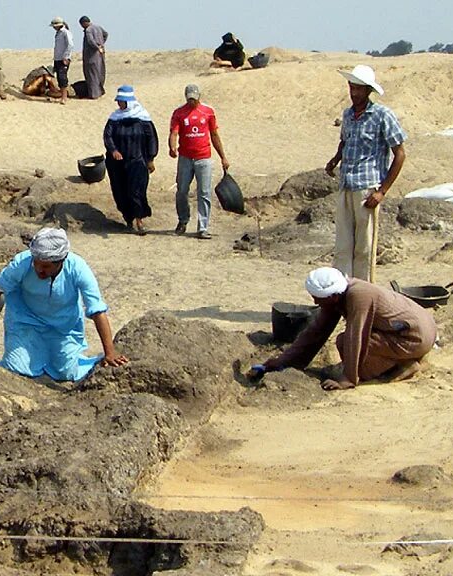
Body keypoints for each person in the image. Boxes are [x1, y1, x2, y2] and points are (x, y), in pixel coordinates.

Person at [0, 228, 129, 382]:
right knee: (17, 368)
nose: (39, 269)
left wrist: (109, 352)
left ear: (61, 261)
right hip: (25, 322)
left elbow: (97, 310)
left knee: (66, 373)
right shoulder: (21, 264)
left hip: (63, 327)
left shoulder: (78, 268)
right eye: (36, 263)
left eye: (45, 266)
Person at [259, 267, 436, 391]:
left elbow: (356, 336)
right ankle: (399, 359)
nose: (315, 303)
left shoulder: (358, 296)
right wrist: (284, 361)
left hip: (414, 337)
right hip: (409, 331)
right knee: (348, 345)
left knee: (345, 343)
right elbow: (316, 332)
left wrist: (349, 378)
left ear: (333, 296)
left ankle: (404, 365)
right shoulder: (339, 296)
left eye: (318, 298)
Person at [326, 65, 406, 281]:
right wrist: (335, 159)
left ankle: (363, 295)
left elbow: (399, 154)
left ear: (368, 91)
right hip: (346, 184)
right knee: (343, 245)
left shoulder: (382, 116)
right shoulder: (348, 115)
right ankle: (341, 295)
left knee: (364, 247)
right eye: (352, 88)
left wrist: (382, 191)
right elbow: (345, 141)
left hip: (367, 188)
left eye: (359, 89)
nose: (354, 93)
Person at [169, 84, 229, 239]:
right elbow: (174, 132)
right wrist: (172, 147)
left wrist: (223, 156)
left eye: (194, 99)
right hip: (185, 158)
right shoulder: (179, 113)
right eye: (189, 99)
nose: (192, 102)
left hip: (204, 157)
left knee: (204, 192)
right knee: (182, 190)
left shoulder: (207, 112)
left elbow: (214, 134)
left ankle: (203, 227)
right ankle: (183, 219)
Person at [103, 85, 159, 234]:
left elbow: (151, 138)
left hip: (137, 160)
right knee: (120, 190)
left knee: (137, 190)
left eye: (122, 101)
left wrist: (151, 158)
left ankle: (139, 220)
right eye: (118, 101)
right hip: (117, 163)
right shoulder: (114, 118)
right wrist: (113, 150)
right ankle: (128, 218)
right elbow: (107, 136)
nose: (119, 104)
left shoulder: (143, 118)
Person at [79, 16, 108, 99]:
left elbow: (90, 41)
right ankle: (100, 91)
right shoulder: (98, 27)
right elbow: (105, 34)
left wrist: (97, 47)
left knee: (92, 74)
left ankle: (93, 94)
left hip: (91, 56)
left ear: (84, 23)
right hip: (100, 55)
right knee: (99, 73)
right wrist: (101, 44)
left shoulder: (88, 30)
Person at [50, 17, 74, 105]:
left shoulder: (65, 33)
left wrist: (66, 57)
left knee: (62, 77)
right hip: (57, 58)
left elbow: (70, 45)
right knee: (59, 78)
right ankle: (60, 95)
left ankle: (64, 97)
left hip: (63, 59)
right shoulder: (58, 33)